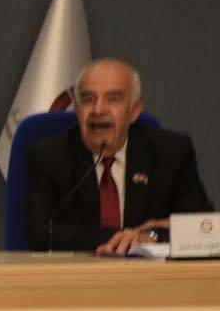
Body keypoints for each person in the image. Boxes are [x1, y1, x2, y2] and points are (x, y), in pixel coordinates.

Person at [25, 59, 212, 255]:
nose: (98, 110)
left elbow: (200, 227)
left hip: (148, 271)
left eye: (113, 99)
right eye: (88, 99)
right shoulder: (49, 157)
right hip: (78, 270)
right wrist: (120, 237)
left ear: (134, 112)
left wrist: (151, 236)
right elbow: (40, 232)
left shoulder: (171, 153)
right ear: (78, 110)